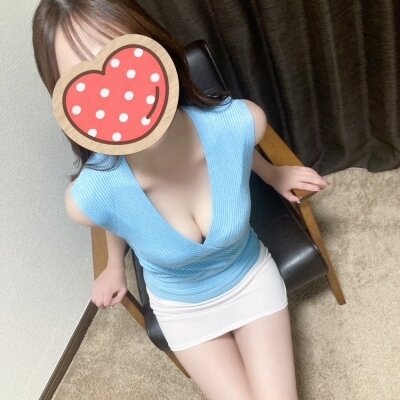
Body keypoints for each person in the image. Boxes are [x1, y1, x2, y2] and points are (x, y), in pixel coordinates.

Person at [32, 1, 328, 399]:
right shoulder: (91, 197)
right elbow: (117, 213)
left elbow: (234, 147)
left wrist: (274, 174)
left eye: (124, 59)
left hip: (249, 277)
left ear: (160, 50)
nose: (117, 94)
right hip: (183, 309)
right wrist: (113, 266)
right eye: (89, 81)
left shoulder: (238, 123)